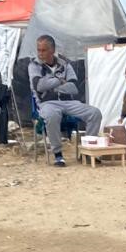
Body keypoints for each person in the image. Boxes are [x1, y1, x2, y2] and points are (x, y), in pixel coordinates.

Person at [28, 35, 102, 167]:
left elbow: (73, 87)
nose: (40, 53)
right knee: (52, 115)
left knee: (95, 113)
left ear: (52, 50)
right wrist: (59, 80)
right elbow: (39, 86)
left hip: (69, 102)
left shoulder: (65, 64)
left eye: (44, 50)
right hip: (47, 103)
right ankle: (58, 155)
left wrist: (52, 86)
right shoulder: (34, 65)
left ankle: (87, 152)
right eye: (38, 50)